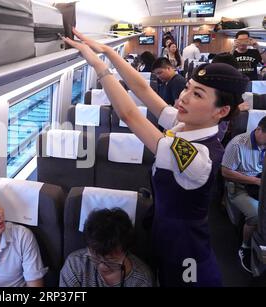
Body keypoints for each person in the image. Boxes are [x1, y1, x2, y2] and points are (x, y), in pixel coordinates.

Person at [63, 28, 249, 286]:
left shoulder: (197, 156)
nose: (183, 97)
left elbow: (130, 116)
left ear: (222, 111)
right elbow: (142, 90)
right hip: (167, 236)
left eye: (197, 94)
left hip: (187, 258)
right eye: (188, 87)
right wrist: (107, 52)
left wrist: (97, 64)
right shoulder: (184, 125)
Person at [59, 208, 153, 287]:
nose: (102, 265)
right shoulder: (75, 264)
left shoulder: (142, 279)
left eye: (111, 259)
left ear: (125, 251)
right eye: (95, 257)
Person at [221, 116, 266, 273]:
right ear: (259, 130)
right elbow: (225, 172)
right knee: (255, 214)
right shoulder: (238, 144)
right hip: (240, 186)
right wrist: (254, 181)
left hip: (261, 182)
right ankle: (245, 246)